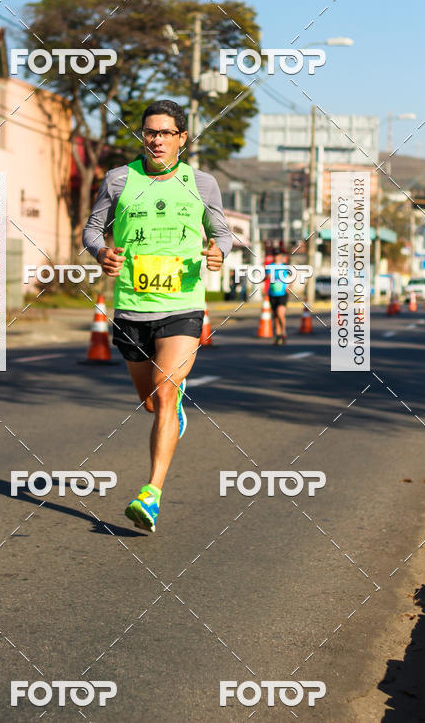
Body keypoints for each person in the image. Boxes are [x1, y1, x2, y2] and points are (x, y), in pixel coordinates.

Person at [82, 99, 233, 532]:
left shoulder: (202, 183)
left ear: (182, 138)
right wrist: (102, 253)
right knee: (151, 402)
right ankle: (172, 410)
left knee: (166, 391)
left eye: (166, 133)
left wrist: (219, 251)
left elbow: (222, 232)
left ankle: (151, 494)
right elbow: (92, 230)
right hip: (132, 307)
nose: (156, 140)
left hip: (183, 305)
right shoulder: (118, 179)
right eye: (150, 132)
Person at [266, 248, 289, 345]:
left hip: (282, 293)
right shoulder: (269, 266)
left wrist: (288, 286)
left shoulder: (285, 267)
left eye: (278, 255)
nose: (276, 257)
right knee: (275, 315)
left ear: (280, 256)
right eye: (275, 255)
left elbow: (290, 278)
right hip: (272, 293)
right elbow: (266, 277)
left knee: (280, 313)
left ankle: (283, 332)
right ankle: (278, 335)